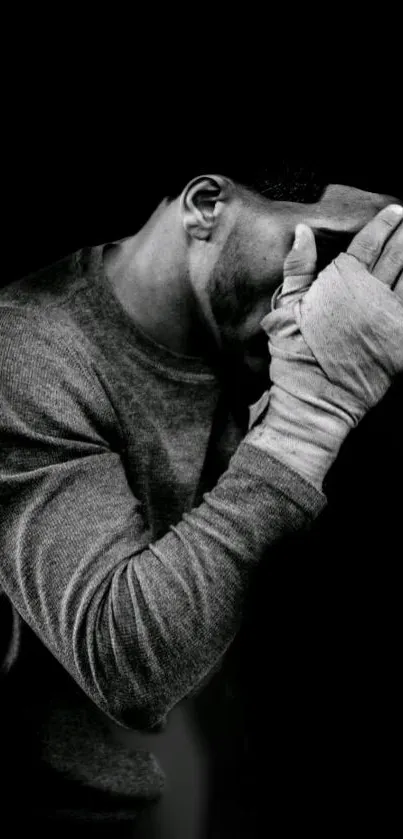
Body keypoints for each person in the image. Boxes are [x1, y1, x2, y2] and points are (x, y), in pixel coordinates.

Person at [0, 158, 402, 838]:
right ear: (206, 204)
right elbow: (128, 665)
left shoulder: (285, 340)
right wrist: (307, 422)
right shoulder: (24, 354)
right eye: (334, 250)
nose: (347, 298)